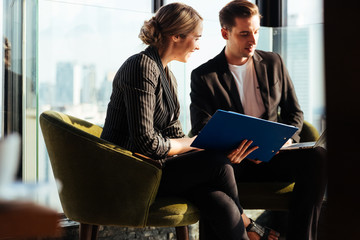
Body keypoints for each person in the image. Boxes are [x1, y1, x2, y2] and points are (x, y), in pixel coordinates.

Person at [101, 3, 279, 240]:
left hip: (156, 168)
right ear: (176, 36)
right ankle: (249, 225)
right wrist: (196, 143)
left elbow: (174, 134)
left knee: (221, 202)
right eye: (196, 38)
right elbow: (145, 143)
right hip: (133, 175)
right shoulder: (141, 66)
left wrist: (211, 144)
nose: (198, 46)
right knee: (218, 163)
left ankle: (247, 226)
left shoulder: (167, 75)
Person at [190, 1, 327, 240]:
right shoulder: (204, 75)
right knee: (211, 171)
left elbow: (295, 113)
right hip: (235, 163)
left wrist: (286, 140)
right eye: (244, 34)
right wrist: (230, 149)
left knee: (318, 157)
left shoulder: (274, 62)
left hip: (275, 156)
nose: (253, 40)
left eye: (256, 32)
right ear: (225, 33)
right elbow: (201, 126)